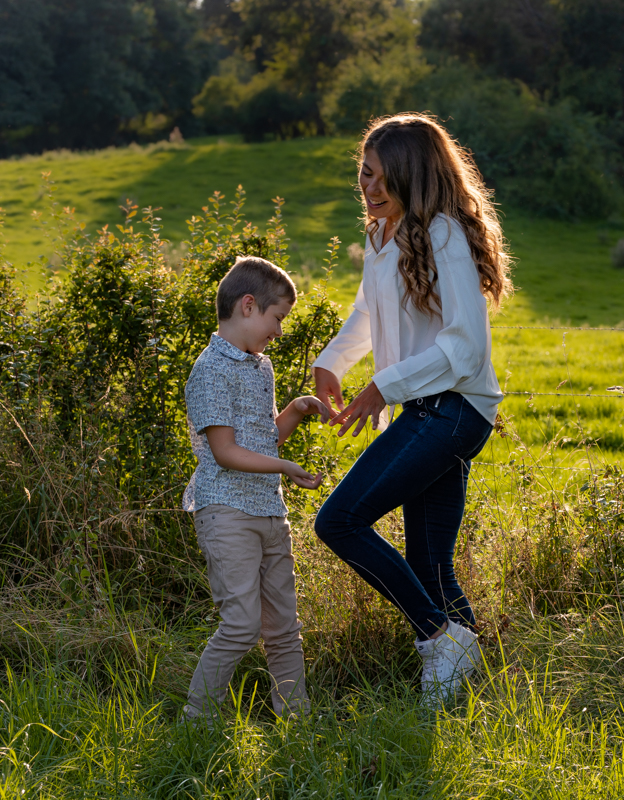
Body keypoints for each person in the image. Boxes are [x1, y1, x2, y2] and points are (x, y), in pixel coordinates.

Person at [313, 113, 512, 705]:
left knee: (339, 522)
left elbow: (466, 347)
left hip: (451, 410)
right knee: (429, 561)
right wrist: (333, 361)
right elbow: (369, 313)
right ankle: (470, 677)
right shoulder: (383, 236)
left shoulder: (445, 235)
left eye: (381, 178)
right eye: (364, 175)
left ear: (412, 175)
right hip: (427, 410)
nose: (369, 189)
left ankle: (437, 639)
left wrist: (384, 386)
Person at [182, 256, 330, 725]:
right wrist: (285, 466)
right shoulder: (209, 371)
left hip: (269, 511)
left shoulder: (258, 367)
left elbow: (260, 438)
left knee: (284, 627)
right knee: (242, 625)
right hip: (226, 512)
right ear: (248, 306)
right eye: (277, 318)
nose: (280, 331)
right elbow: (226, 451)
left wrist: (293, 410)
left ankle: (296, 720)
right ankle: (197, 718)